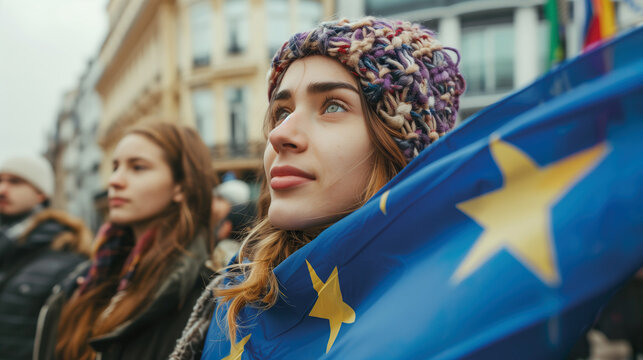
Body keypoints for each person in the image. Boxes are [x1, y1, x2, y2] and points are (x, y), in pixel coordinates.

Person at [170, 16, 465, 359]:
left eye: (333, 106)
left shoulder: (451, 314)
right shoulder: (231, 294)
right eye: (281, 112)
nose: (278, 134)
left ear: (401, 149)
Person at [34, 121, 217, 360]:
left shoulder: (202, 296)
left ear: (180, 186)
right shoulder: (90, 277)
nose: (115, 181)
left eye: (138, 167)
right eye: (115, 167)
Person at [0, 155, 91, 360]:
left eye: (15, 181)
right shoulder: (6, 246)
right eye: (0, 180)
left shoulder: (67, 257)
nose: (2, 189)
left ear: (41, 193)